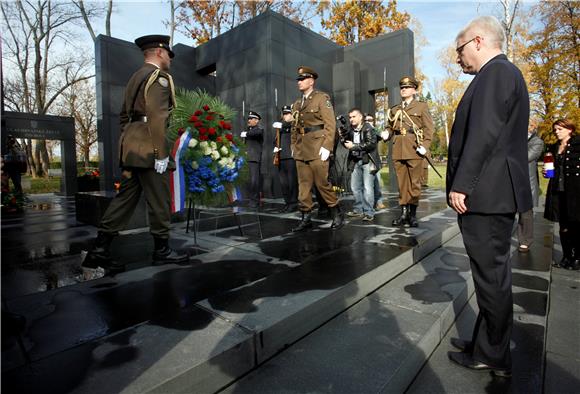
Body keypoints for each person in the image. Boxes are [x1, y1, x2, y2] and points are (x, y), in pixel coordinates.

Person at [446, 16, 532, 378]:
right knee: (490, 278)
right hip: (492, 192)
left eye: (460, 49)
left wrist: (462, 183)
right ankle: (486, 342)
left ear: (478, 41)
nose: (457, 57)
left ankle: (493, 355)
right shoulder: (499, 74)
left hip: (487, 194)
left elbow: (484, 134)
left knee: (492, 279)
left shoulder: (496, 74)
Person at [82, 34, 188, 272]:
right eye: (168, 54)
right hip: (150, 147)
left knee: (124, 200)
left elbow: (124, 117)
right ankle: (162, 250)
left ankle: (99, 250)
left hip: (132, 147)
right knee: (160, 200)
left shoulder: (135, 77)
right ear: (159, 53)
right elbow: (158, 117)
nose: (170, 59)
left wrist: (130, 142)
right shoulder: (158, 78)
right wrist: (161, 153)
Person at [291, 66, 344, 231]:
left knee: (322, 183)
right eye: (298, 79)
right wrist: (293, 145)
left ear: (311, 81)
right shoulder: (297, 104)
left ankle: (336, 212)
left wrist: (327, 146)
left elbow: (330, 124)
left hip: (317, 146)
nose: (299, 82)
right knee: (304, 185)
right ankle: (306, 216)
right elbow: (294, 127)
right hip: (301, 148)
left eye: (303, 79)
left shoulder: (321, 98)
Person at [383, 76, 433, 227]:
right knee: (402, 183)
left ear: (414, 90)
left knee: (414, 184)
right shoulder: (395, 109)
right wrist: (386, 133)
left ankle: (412, 215)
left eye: (407, 87)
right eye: (402, 87)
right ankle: (403, 214)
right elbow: (390, 126)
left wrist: (425, 145)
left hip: (414, 149)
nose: (403, 90)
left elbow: (429, 129)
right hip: (398, 148)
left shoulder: (421, 107)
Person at [544, 119, 580, 270]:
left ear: (570, 129)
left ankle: (577, 258)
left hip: (575, 191)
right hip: (558, 190)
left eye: (560, 129)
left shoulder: (578, 144)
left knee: (576, 225)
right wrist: (546, 172)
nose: (557, 132)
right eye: (555, 129)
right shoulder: (554, 147)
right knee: (563, 226)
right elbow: (552, 169)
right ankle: (566, 257)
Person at [343, 108, 380, 221]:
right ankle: (358, 210)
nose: (351, 119)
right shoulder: (350, 129)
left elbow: (371, 144)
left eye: (354, 117)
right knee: (355, 187)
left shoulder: (368, 128)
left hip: (367, 160)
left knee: (368, 187)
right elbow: (345, 142)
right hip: (355, 160)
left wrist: (354, 145)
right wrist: (342, 138)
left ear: (360, 117)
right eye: (350, 117)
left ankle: (369, 212)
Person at [517, 127, 544, 252]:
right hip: (512, 182)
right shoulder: (517, 139)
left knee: (525, 215)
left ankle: (525, 241)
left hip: (526, 184)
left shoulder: (537, 142)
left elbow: (525, 157)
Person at [272, 105, 298, 212]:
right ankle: (287, 203)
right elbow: (276, 140)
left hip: (291, 157)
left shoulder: (293, 125)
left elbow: (290, 129)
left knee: (292, 182)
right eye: (284, 114)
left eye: (288, 114)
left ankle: (293, 203)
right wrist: (276, 147)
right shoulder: (280, 127)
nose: (285, 116)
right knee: (283, 183)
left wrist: (281, 126)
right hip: (281, 156)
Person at [240, 111, 264, 208]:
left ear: (257, 120)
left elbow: (255, 133)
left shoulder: (259, 130)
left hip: (254, 159)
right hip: (247, 158)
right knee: (250, 181)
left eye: (251, 119)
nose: (249, 120)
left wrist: (246, 134)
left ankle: (255, 200)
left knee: (254, 180)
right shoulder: (248, 130)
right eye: (248, 119)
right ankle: (252, 199)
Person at [365, 114, 386, 210]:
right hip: (364, 160)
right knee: (366, 185)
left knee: (376, 183)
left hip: (373, 161)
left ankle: (379, 202)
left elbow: (380, 136)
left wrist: (372, 128)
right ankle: (368, 204)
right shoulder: (362, 130)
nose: (368, 121)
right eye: (366, 120)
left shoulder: (373, 130)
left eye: (370, 120)